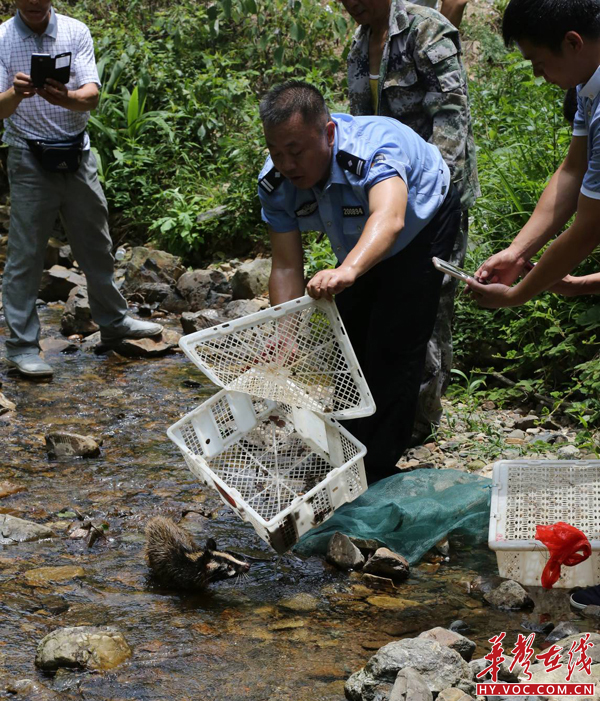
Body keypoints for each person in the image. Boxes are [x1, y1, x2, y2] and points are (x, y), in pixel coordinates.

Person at [257, 81, 462, 483]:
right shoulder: (276, 183)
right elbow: (285, 266)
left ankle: (374, 467)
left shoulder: (372, 150)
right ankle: (349, 442)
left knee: (394, 342)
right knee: (348, 336)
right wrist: (285, 330)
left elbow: (389, 218)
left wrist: (347, 271)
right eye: (276, 152)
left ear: (328, 133)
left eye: (296, 151)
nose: (286, 164)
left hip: (420, 220)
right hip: (358, 236)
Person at [0, 0, 163, 379]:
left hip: (77, 152)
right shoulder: (3, 39)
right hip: (27, 155)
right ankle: (23, 348)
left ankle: (114, 321)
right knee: (25, 256)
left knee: (97, 245)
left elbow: (91, 94)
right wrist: (16, 92)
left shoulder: (75, 31)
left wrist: (66, 97)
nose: (35, 2)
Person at [343, 0, 479, 443]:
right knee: (389, 299)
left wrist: (434, 201)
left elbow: (452, 115)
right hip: (386, 198)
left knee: (432, 300)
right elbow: (360, 126)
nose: (353, 5)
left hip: (437, 194)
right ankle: (390, 409)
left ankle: (422, 417)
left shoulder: (426, 30)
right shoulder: (360, 45)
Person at [468, 0, 600, 309]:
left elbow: (590, 228)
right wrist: (517, 252)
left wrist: (517, 295)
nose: (537, 74)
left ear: (572, 42)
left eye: (538, 63)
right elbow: (572, 170)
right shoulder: (588, 87)